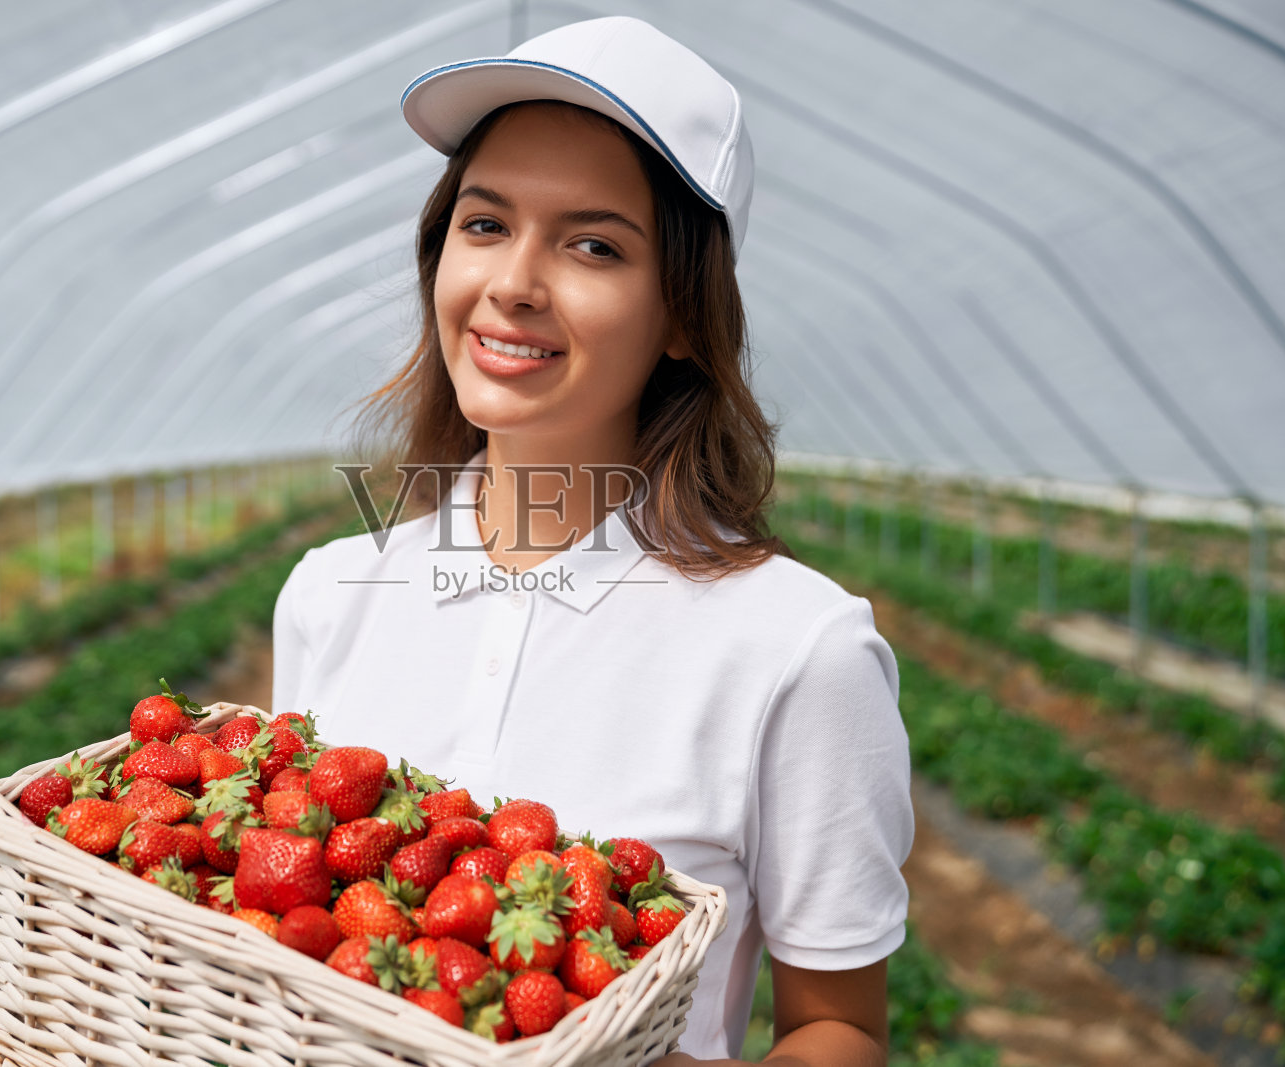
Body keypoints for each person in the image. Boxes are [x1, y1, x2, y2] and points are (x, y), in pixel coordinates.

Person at [269, 16, 912, 1066]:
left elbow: (835, 1024)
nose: (514, 281)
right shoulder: (332, 592)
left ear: (683, 316)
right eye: (485, 224)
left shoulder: (797, 649)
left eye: (592, 244)